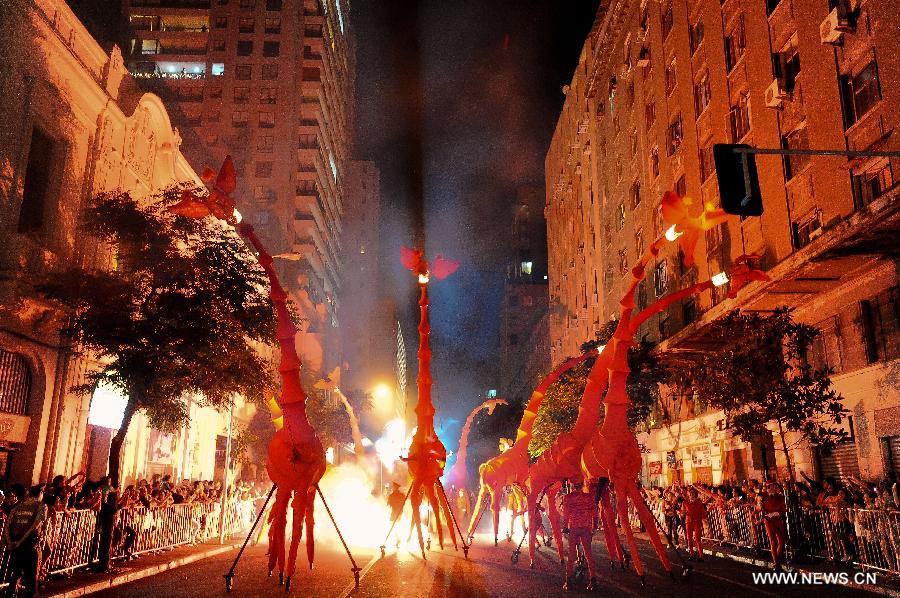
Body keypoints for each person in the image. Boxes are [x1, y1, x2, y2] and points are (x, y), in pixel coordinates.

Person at [2, 485, 48, 597]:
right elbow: (35, 526)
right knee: (32, 577)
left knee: (16, 573)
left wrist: (11, 542)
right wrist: (21, 541)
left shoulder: (18, 507)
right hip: (30, 544)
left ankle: (11, 594)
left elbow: (7, 525)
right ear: (41, 493)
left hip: (17, 544)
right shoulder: (41, 506)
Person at [561, 479, 598, 591]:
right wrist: (594, 527)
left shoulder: (568, 498)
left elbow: (566, 515)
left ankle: (568, 581)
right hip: (586, 528)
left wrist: (565, 527)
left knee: (571, 555)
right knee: (588, 554)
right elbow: (595, 514)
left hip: (574, 528)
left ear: (572, 485)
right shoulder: (589, 497)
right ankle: (593, 580)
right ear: (582, 485)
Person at [760, 482, 787, 571]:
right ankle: (776, 563)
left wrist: (776, 513)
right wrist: (761, 509)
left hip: (778, 519)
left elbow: (783, 509)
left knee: (782, 541)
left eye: (776, 486)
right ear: (769, 487)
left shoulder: (780, 497)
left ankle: (777, 561)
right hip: (768, 520)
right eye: (773, 486)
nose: (775, 487)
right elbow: (759, 508)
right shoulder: (763, 496)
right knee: (773, 541)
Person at [682, 487, 707, 561]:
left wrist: (707, 512)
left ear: (695, 494)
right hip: (688, 522)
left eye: (693, 493)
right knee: (689, 538)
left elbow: (703, 514)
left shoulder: (699, 503)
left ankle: (701, 556)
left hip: (696, 522)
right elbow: (683, 512)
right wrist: (682, 513)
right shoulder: (685, 502)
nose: (691, 494)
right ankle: (691, 554)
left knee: (697, 539)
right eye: (690, 493)